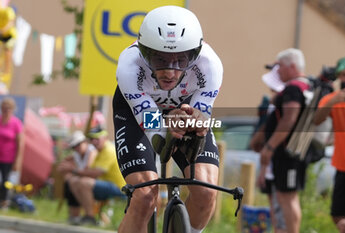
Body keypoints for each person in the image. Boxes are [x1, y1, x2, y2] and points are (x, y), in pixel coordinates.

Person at [112, 5, 223, 233]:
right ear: (144, 52)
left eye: (181, 61)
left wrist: (198, 126)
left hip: (184, 110)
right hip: (136, 114)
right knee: (144, 196)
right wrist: (165, 132)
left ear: (194, 54)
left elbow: (200, 119)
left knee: (206, 189)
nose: (170, 72)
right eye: (159, 59)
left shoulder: (210, 65)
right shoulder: (129, 66)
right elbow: (156, 135)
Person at [260, 48, 309, 233]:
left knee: (287, 197)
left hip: (288, 153)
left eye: (280, 66)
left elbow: (289, 119)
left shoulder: (293, 88)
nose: (277, 71)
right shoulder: (304, 85)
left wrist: (270, 147)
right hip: (293, 151)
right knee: (285, 196)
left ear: (292, 66)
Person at [314, 56, 345, 233]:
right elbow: (317, 119)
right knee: (338, 215)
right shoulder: (334, 98)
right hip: (343, 166)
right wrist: (334, 102)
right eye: (344, 75)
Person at [250, 64, 287, 233]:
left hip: (276, 160)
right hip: (271, 161)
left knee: (281, 203)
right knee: (275, 203)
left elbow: (265, 133)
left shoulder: (279, 103)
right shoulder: (277, 102)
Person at [64, 126, 126, 225]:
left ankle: (90, 217)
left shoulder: (109, 150)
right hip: (107, 185)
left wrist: (73, 170)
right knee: (73, 181)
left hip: (119, 188)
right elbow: (89, 170)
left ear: (105, 138)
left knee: (83, 182)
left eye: (97, 139)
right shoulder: (99, 151)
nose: (94, 141)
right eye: (91, 139)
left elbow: (95, 173)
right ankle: (87, 215)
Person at [57, 130, 97, 224]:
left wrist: (71, 169)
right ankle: (75, 215)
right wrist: (65, 168)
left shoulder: (91, 151)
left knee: (75, 181)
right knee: (70, 181)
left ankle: (86, 215)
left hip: (94, 179)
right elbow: (63, 165)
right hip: (84, 179)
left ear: (84, 142)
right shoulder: (76, 154)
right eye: (74, 147)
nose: (76, 148)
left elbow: (88, 170)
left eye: (78, 145)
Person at [0, 97, 24, 208]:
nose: (6, 110)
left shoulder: (16, 123)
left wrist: (17, 161)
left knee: (6, 180)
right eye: (4, 108)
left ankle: (4, 201)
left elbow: (20, 144)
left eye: (8, 108)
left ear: (12, 109)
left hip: (8, 157)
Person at [0, 4, 16, 75]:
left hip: (10, 35)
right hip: (1, 34)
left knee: (7, 51)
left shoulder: (8, 10)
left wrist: (3, 29)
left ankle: (7, 71)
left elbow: (11, 22)